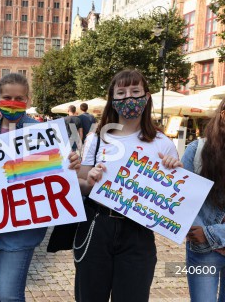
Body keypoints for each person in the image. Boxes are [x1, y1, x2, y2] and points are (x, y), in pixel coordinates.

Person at [75, 69, 182, 302]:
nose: (128, 98)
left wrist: (175, 172)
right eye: (121, 93)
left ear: (146, 97)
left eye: (135, 92)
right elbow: (80, 184)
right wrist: (89, 180)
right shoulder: (97, 138)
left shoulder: (163, 142)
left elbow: (173, 197)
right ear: (112, 100)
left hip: (138, 232)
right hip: (97, 225)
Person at [0, 73, 81, 301]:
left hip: (21, 228)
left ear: (27, 99)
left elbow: (56, 169)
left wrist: (71, 162)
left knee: (9, 295)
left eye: (19, 98)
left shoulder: (41, 132)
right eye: (6, 97)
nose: (13, 103)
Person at [183, 97, 225, 302]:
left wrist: (210, 234)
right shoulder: (197, 150)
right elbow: (181, 200)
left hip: (205, 238)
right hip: (203, 249)